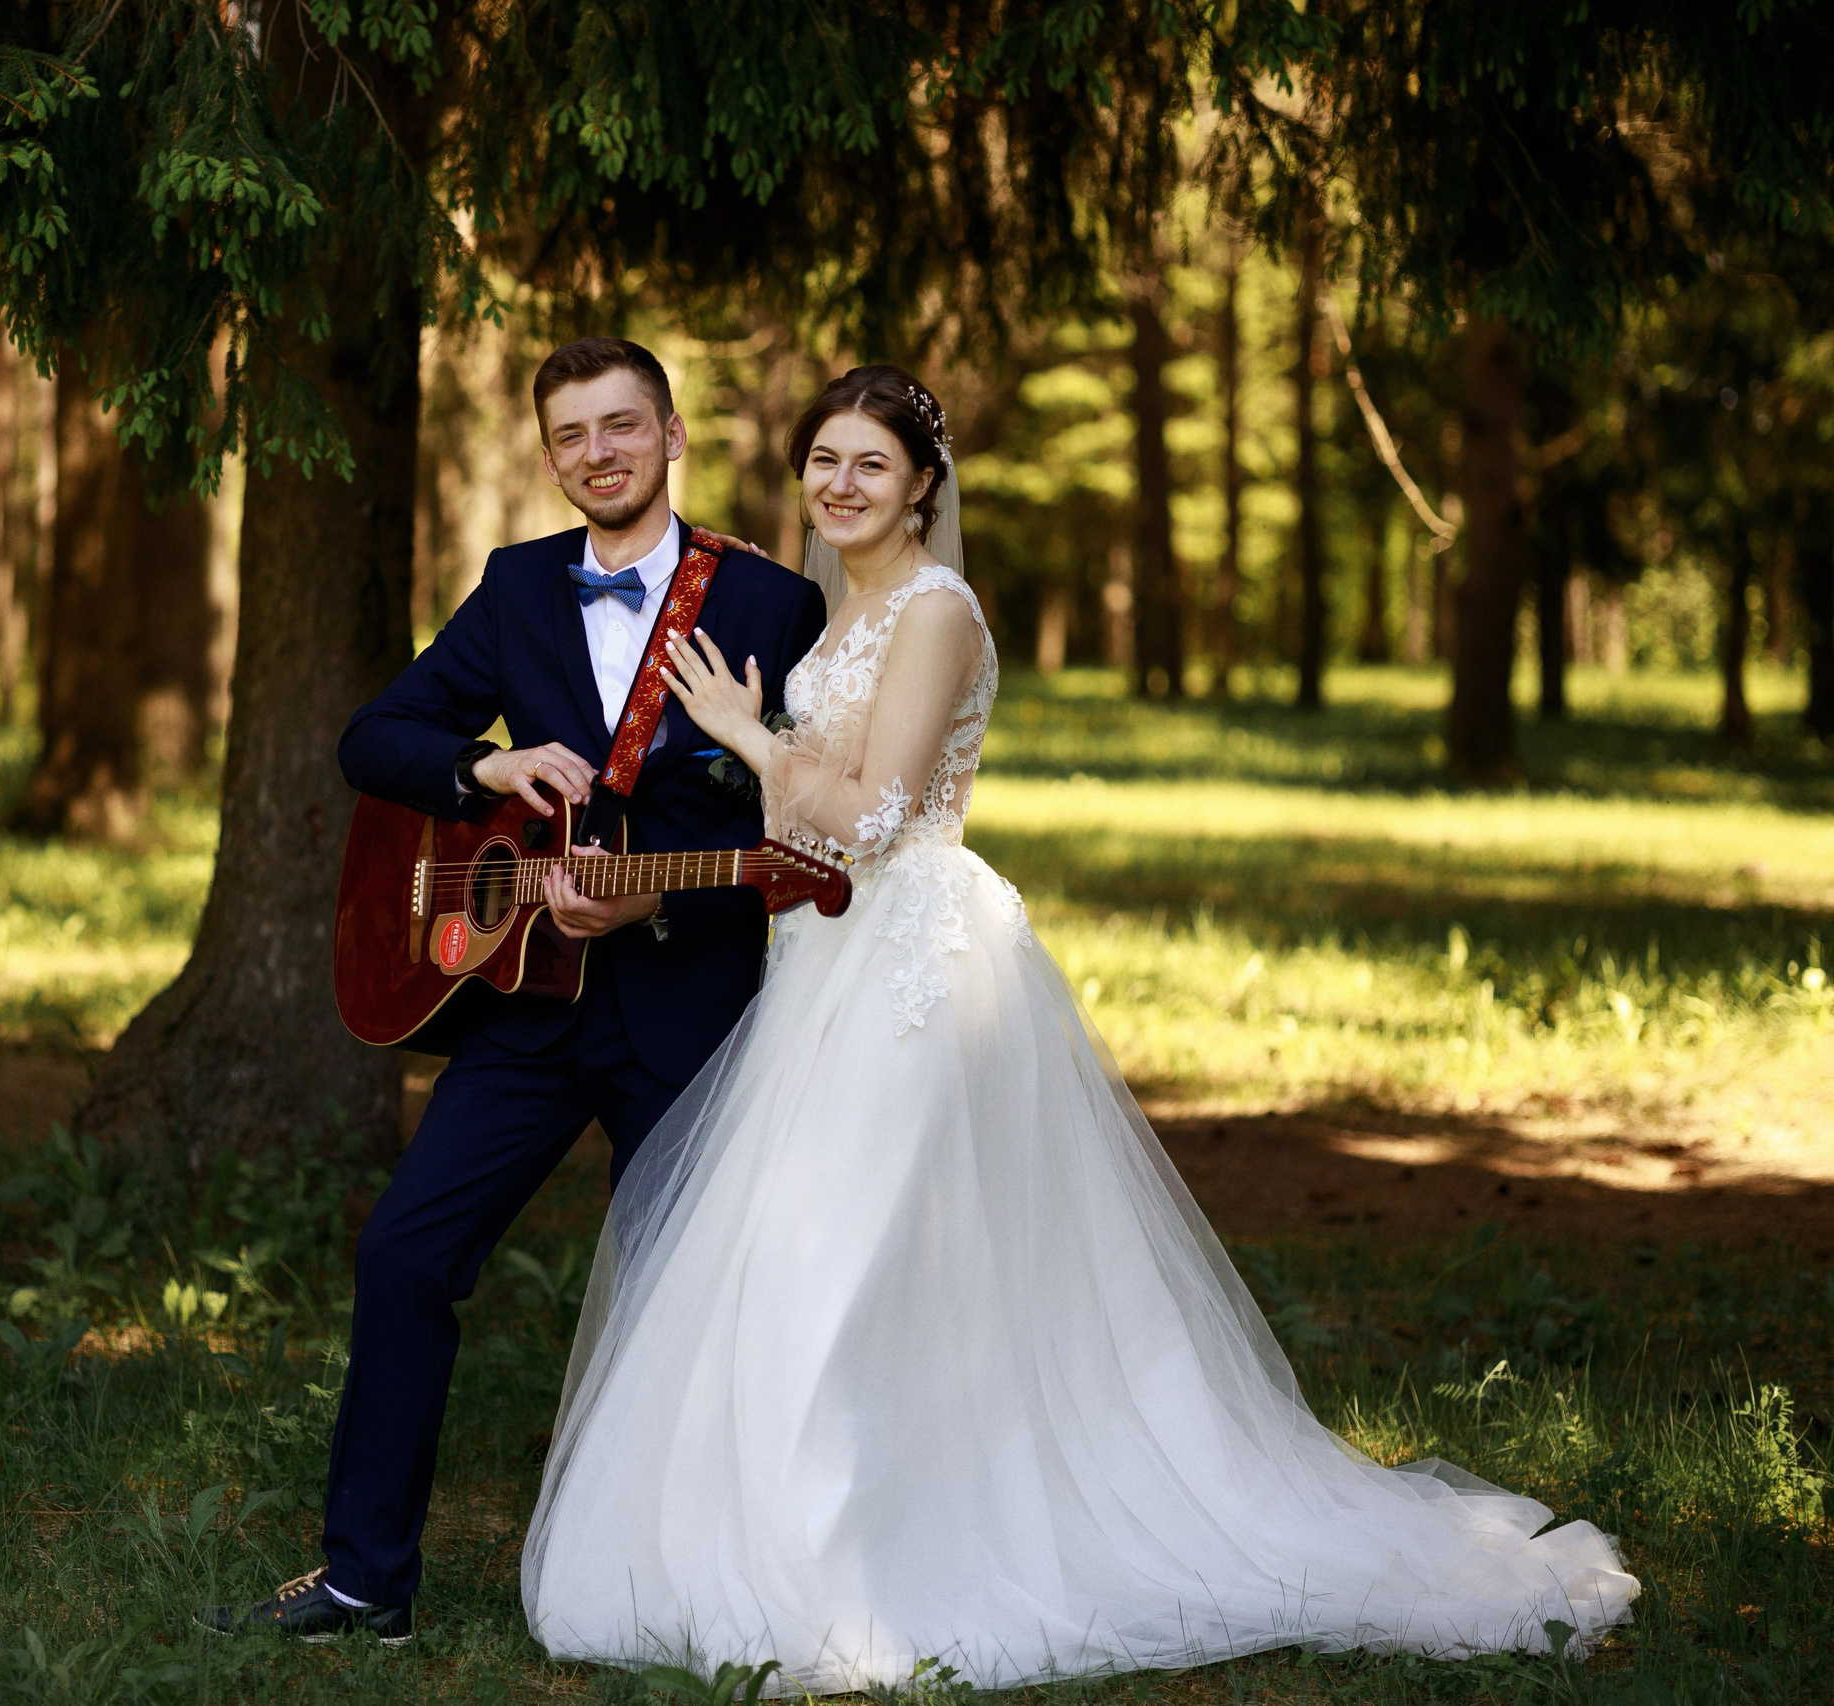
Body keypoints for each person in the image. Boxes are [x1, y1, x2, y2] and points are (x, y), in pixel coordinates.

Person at [519, 364, 1640, 1694]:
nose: (841, 483)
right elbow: (822, 814)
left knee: (855, 1247)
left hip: (915, 959)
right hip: (822, 953)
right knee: (808, 1242)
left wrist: (746, 738)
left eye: (872, 462)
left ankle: (864, 1554)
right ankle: (778, 1526)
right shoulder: (841, 609)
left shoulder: (938, 608)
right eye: (824, 458)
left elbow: (876, 818)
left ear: (924, 483)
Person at [198, 337, 826, 1644]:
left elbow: (809, 832)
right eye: (570, 436)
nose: (597, 453)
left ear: (671, 437)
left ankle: (700, 1590)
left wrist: (659, 890)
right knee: (403, 1248)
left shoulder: (768, 606)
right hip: (532, 1012)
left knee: (686, 1293)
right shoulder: (517, 588)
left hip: (689, 1011)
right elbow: (373, 737)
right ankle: (367, 1579)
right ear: (550, 457)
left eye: (620, 426)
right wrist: (484, 772)